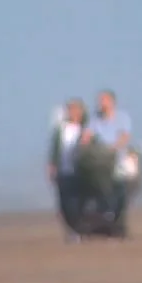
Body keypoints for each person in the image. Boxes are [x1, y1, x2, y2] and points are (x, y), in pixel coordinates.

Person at [81, 90, 135, 238]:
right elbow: (87, 136)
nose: (101, 104)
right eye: (100, 101)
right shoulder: (95, 119)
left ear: (112, 102)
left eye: (103, 100)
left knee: (121, 193)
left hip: (117, 159)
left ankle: (119, 225)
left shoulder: (122, 117)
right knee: (103, 194)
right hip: (100, 162)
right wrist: (84, 145)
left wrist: (113, 148)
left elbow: (125, 137)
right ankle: (105, 225)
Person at [47, 98, 89, 240]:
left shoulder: (86, 129)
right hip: (63, 171)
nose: (72, 112)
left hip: (80, 171)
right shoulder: (61, 129)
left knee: (78, 202)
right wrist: (51, 166)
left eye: (75, 109)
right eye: (70, 109)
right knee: (63, 203)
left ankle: (79, 230)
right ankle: (71, 231)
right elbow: (54, 149)